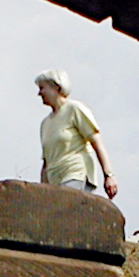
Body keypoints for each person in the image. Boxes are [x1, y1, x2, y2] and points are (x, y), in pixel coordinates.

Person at [35, 69, 118, 199]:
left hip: (75, 173)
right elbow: (46, 162)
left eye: (42, 88)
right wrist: (42, 192)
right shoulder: (45, 124)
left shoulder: (74, 109)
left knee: (66, 208)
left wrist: (109, 176)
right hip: (54, 181)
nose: (39, 93)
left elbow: (96, 141)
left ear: (56, 87)